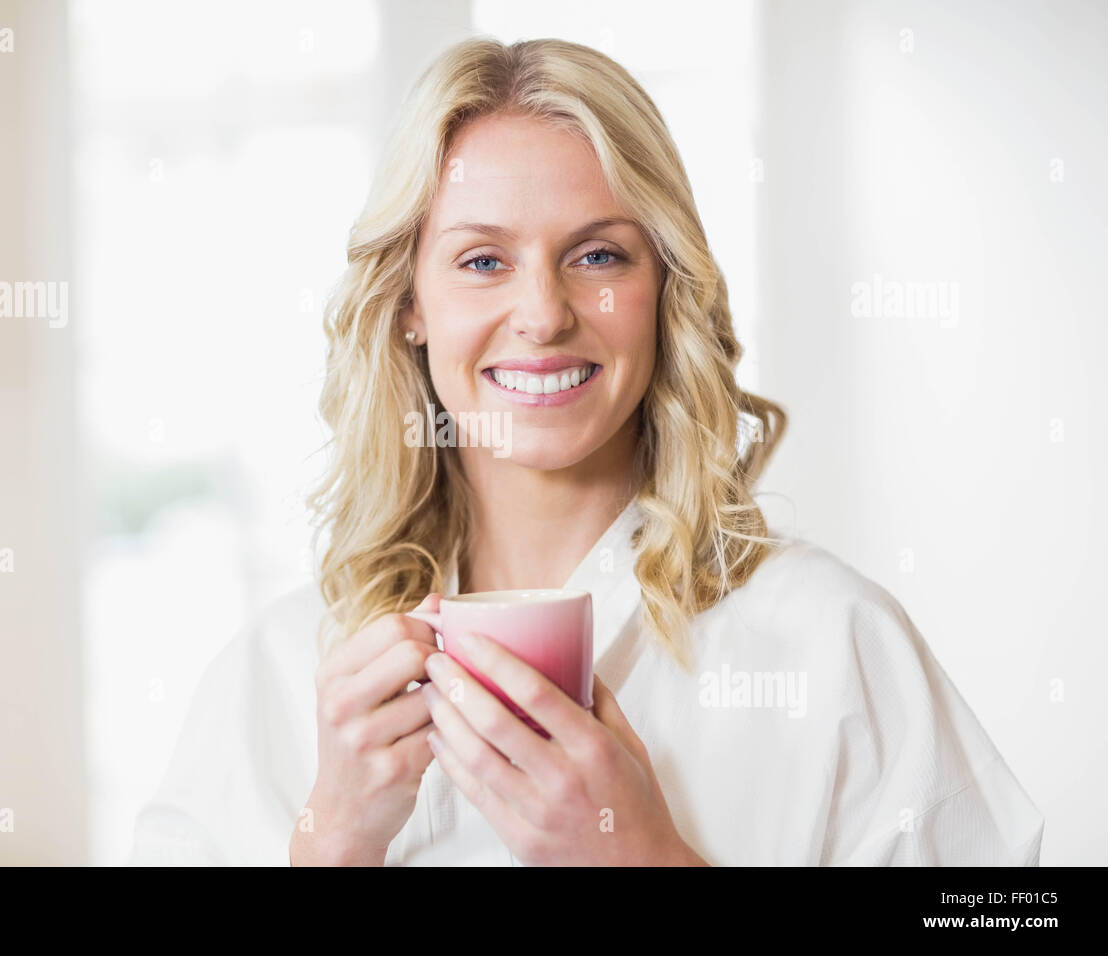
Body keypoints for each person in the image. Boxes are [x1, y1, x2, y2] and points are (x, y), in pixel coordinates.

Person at [128, 37, 1043, 866]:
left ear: (664, 286)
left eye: (599, 256)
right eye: (483, 261)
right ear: (410, 304)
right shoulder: (285, 674)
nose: (543, 314)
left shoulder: (831, 644)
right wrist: (328, 842)